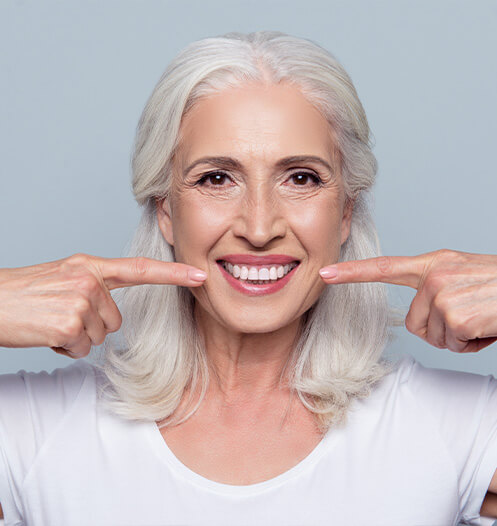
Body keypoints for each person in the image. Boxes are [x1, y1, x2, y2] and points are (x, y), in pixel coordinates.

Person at [0, 30, 496, 525]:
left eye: (301, 177)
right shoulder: (32, 428)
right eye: (216, 178)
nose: (259, 228)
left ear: (345, 212)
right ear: (166, 212)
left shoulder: (455, 426)